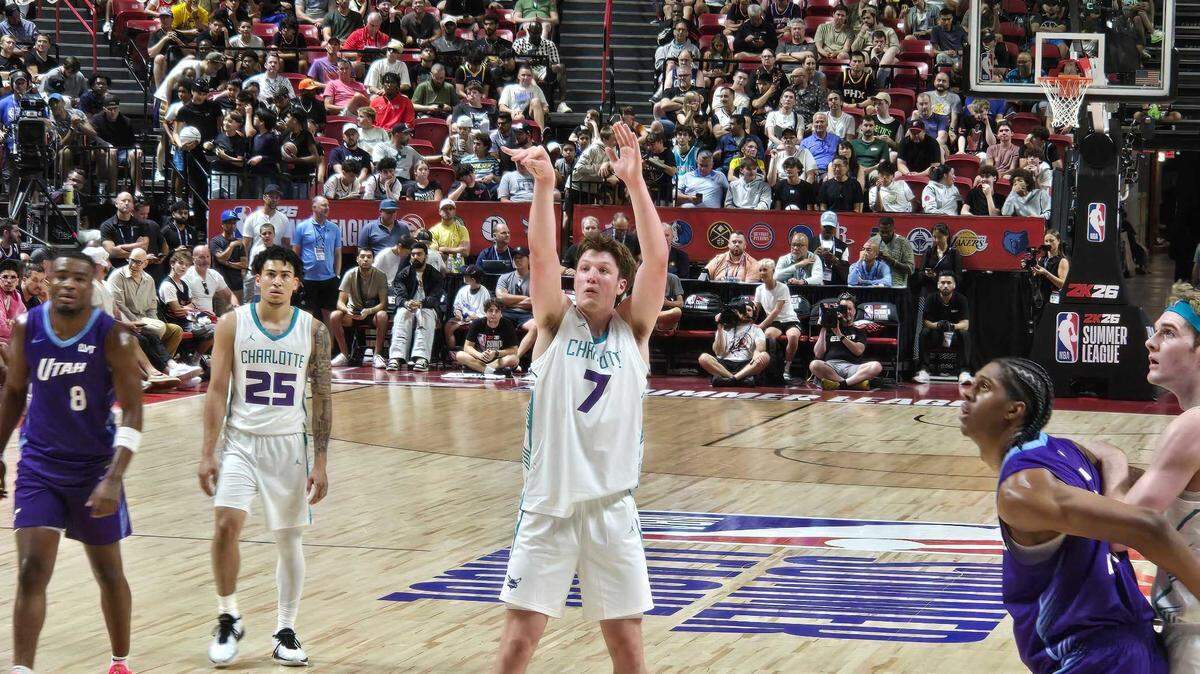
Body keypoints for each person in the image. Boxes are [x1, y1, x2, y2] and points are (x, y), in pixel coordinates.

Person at [491, 123, 665, 672]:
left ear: (620, 284)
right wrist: (545, 185)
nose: (591, 276)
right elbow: (542, 255)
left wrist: (635, 185)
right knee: (519, 643)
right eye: (585, 268)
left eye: (604, 270)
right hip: (548, 504)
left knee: (628, 648)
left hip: (611, 506)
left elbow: (657, 261)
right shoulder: (551, 323)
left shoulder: (633, 331)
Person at [959, 357, 1200, 674]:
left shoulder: (1022, 491)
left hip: (1094, 658)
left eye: (984, 386)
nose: (966, 390)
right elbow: (1108, 452)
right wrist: (1115, 493)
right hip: (1132, 647)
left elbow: (1149, 527)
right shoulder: (1060, 449)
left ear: (1014, 410)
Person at [0, 251, 143, 674]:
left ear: (93, 281)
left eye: (78, 278)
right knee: (30, 570)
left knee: (108, 572)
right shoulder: (28, 327)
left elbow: (133, 411)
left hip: (94, 469)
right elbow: (12, 394)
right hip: (39, 466)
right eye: (59, 276)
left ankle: (120, 661)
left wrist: (115, 478)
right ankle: (22, 669)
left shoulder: (113, 336)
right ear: (46, 278)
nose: (67, 284)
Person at [198, 245, 330, 668]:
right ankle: (228, 613)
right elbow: (217, 389)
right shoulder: (232, 324)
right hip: (240, 441)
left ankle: (285, 629)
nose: (276, 280)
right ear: (257, 278)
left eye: (284, 274)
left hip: (289, 444)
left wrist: (322, 461)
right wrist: (207, 452)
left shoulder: (313, 330)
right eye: (269, 273)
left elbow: (323, 396)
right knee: (225, 525)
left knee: (289, 538)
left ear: (296, 282)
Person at [387, 241, 443, 372]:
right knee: (402, 314)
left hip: (428, 307)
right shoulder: (403, 274)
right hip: (409, 307)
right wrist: (406, 303)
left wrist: (421, 303)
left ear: (426, 256)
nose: (415, 257)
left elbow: (435, 297)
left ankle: (421, 358)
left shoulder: (435, 275)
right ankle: (395, 358)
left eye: (419, 254)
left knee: (425, 314)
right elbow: (399, 296)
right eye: (413, 255)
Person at [808, 292, 882, 390]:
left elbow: (858, 351)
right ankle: (852, 383)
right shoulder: (830, 328)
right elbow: (818, 354)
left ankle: (841, 384)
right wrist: (823, 328)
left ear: (854, 311)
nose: (847, 312)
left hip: (852, 367)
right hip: (831, 367)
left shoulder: (859, 329)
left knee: (876, 366)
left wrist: (840, 335)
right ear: (838, 310)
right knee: (814, 364)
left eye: (849, 309)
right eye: (843, 309)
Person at [330, 247, 390, 368]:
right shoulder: (350, 274)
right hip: (353, 313)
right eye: (362, 256)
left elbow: (383, 304)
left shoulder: (381, 275)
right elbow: (340, 302)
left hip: (371, 313)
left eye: (369, 257)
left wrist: (369, 311)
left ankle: (377, 355)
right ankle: (344, 354)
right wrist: (347, 311)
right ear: (357, 259)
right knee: (334, 315)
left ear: (373, 260)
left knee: (383, 315)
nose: (365, 259)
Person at [292, 196, 343, 329]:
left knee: (329, 316)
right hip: (307, 279)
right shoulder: (302, 227)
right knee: (307, 316)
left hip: (329, 279)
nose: (327, 208)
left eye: (327, 205)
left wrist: (337, 275)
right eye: (323, 205)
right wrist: (297, 276)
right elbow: (295, 254)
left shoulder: (334, 228)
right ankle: (307, 348)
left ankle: (329, 349)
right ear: (314, 207)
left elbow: (338, 253)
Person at [913, 271, 972, 384]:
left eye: (949, 283)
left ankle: (964, 372)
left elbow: (965, 324)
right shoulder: (931, 298)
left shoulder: (961, 299)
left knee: (965, 334)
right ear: (938, 285)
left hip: (953, 335)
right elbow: (926, 322)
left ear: (954, 285)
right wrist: (938, 325)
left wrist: (952, 326)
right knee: (924, 332)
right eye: (943, 282)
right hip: (936, 334)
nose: (945, 285)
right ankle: (924, 370)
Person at [697, 297, 770, 387]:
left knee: (765, 356)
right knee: (703, 358)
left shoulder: (756, 329)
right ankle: (738, 380)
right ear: (736, 312)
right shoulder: (725, 328)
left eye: (749, 310)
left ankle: (728, 380)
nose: (746, 312)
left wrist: (757, 352)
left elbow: (761, 348)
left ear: (753, 313)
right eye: (742, 310)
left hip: (745, 365)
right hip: (724, 364)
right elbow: (718, 352)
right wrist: (720, 327)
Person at [754, 259, 802, 382]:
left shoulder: (783, 287)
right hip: (775, 323)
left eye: (765, 270)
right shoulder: (759, 289)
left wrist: (760, 326)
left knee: (792, 336)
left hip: (790, 320)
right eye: (760, 270)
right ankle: (771, 368)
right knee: (768, 335)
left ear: (773, 271)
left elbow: (776, 311)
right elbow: (756, 309)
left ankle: (786, 368)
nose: (762, 272)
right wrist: (750, 324)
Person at [454, 298, 519, 375]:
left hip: (498, 360)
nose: (493, 314)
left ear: (501, 313)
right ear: (485, 312)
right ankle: (492, 371)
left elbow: (514, 350)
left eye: (497, 311)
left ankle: (480, 368)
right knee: (460, 355)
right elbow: (467, 347)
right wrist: (480, 355)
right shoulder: (477, 323)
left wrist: (496, 353)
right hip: (480, 359)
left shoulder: (507, 324)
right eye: (490, 310)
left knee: (514, 359)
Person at [444, 264, 491, 351]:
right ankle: (452, 352)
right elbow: (457, 306)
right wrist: (457, 312)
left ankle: (473, 350)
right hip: (463, 319)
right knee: (448, 326)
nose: (464, 277)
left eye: (466, 276)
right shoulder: (463, 290)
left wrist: (472, 317)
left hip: (478, 320)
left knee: (475, 326)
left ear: (473, 279)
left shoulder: (484, 293)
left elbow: (485, 314)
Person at [868, 216, 915, 288]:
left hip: (896, 286)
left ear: (893, 229)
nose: (884, 234)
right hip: (875, 285)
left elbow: (910, 270)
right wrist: (872, 259)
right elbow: (862, 265)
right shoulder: (872, 241)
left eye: (887, 232)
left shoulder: (903, 243)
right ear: (878, 229)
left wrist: (890, 260)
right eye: (882, 232)